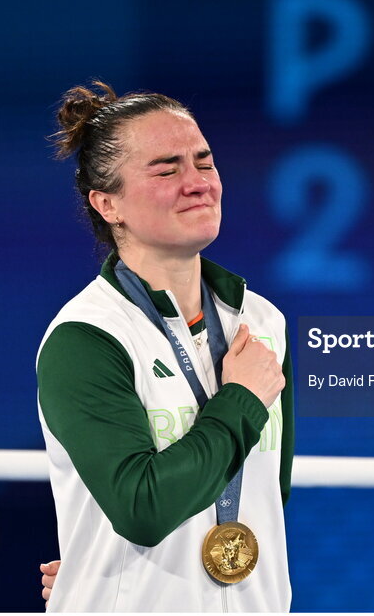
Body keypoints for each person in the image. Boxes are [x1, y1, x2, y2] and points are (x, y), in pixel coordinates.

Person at [37, 82, 294, 612]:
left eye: (205, 162)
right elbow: (142, 508)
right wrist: (241, 400)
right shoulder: (87, 338)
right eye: (166, 169)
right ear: (108, 204)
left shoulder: (263, 321)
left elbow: (264, 493)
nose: (197, 183)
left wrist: (97, 558)